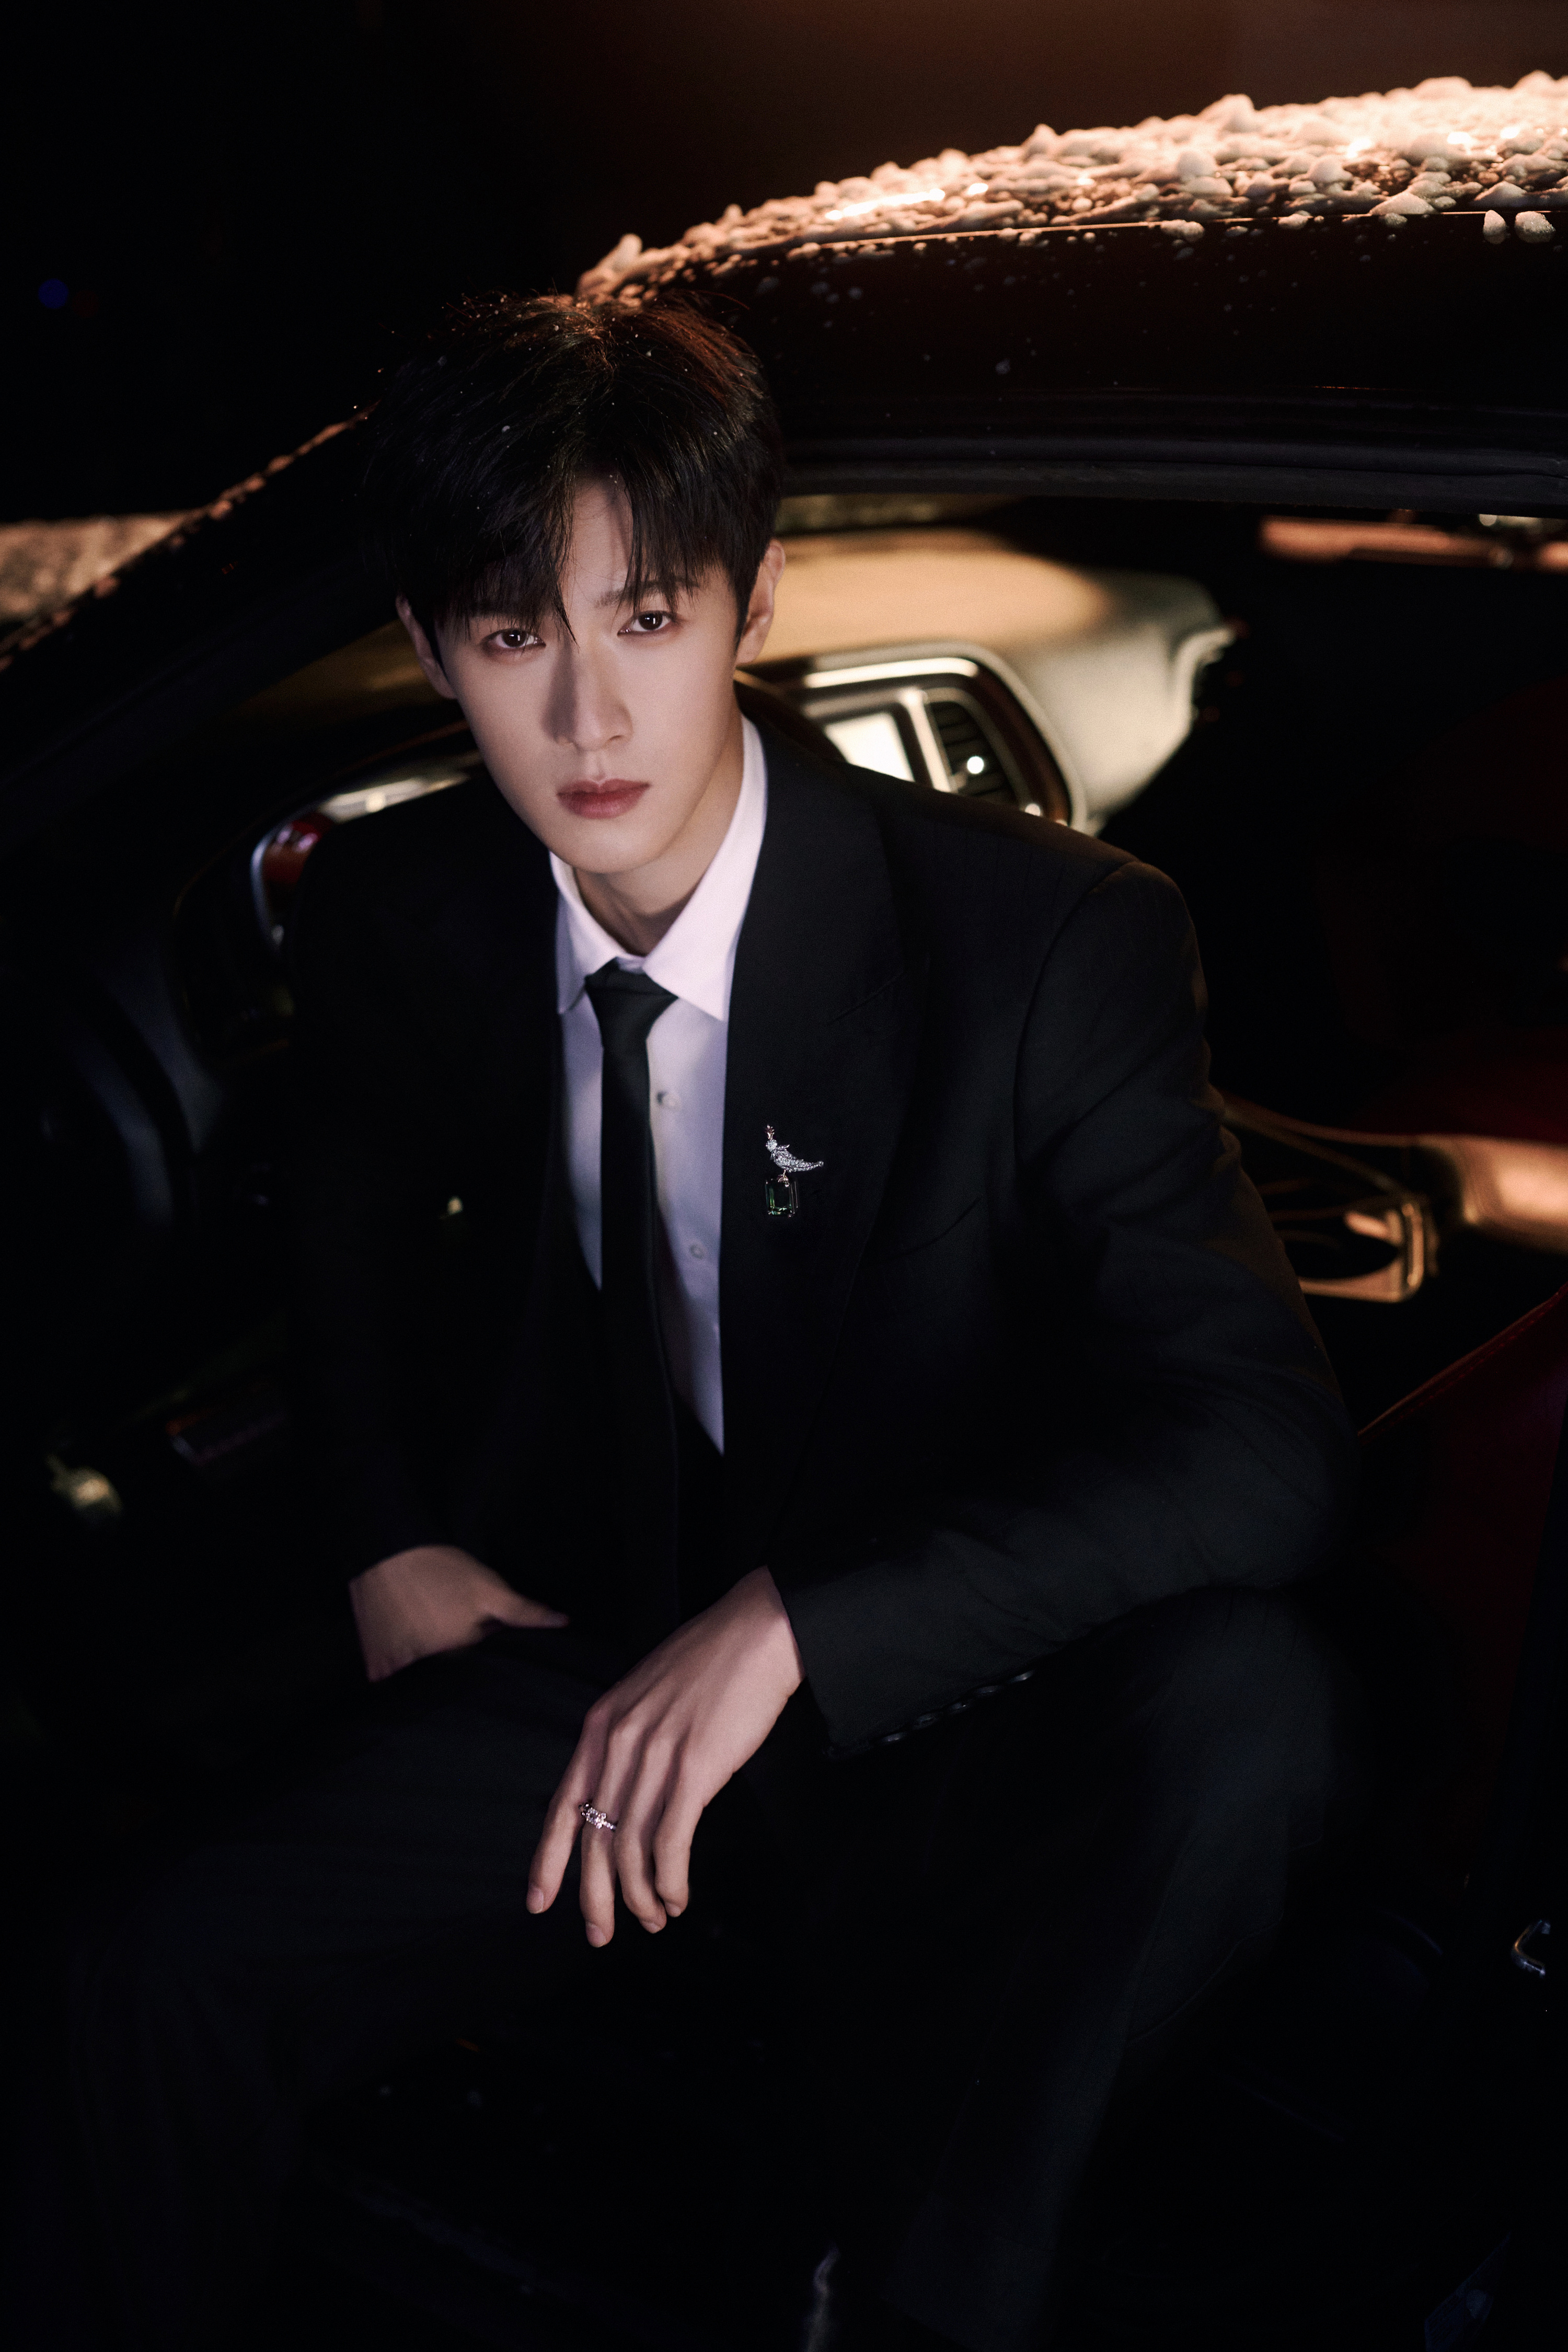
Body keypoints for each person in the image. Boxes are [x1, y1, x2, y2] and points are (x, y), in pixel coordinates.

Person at [44, 293, 1362, 2351]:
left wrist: (797, 1631)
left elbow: (1262, 1445)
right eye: (514, 637)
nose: (589, 719)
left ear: (752, 602)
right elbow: (349, 1228)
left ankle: (917, 2295)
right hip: (596, 1662)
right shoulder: (404, 914)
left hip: (948, 1680)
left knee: (1250, 1704)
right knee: (141, 1975)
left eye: (646, 620)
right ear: (430, 648)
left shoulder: (1043, 941)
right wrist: (392, 1535)